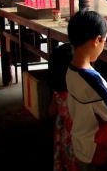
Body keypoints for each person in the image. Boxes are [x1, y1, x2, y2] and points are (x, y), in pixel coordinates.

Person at [66, 9, 107, 171]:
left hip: (81, 143)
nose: (104, 46)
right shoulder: (92, 81)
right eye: (104, 42)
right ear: (97, 40)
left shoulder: (71, 70)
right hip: (97, 152)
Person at [48, 43, 79, 171]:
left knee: (65, 162)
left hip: (63, 136)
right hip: (77, 138)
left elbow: (51, 112)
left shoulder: (58, 93)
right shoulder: (78, 93)